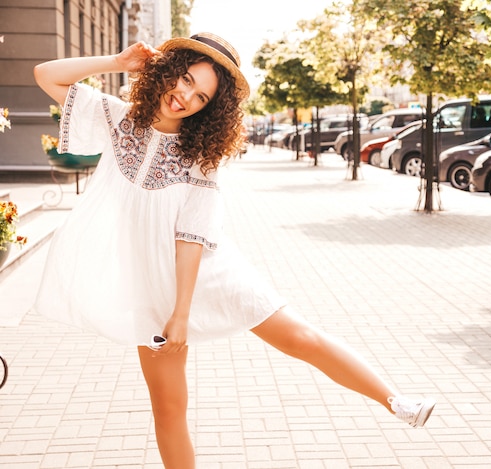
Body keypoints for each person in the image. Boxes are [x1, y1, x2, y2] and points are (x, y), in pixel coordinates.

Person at [33, 32, 435, 468]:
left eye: (201, 95)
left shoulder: (198, 155)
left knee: (299, 336)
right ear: (169, 70)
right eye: (185, 79)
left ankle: (396, 402)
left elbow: (192, 234)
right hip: (150, 285)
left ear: (210, 108)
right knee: (169, 409)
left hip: (205, 271)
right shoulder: (117, 119)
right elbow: (45, 75)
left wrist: (181, 313)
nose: (185, 96)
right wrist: (118, 60)